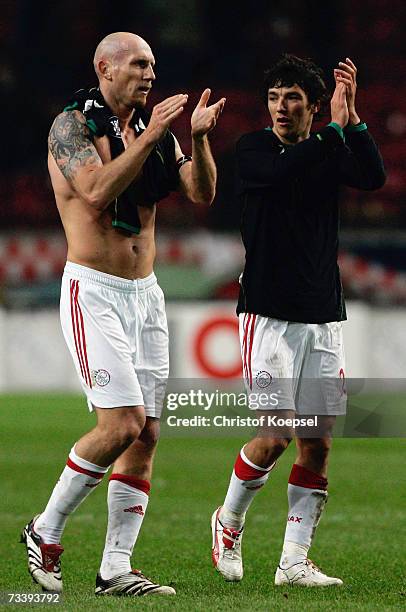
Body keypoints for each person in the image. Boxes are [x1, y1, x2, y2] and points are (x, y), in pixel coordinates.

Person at [21, 31, 225, 597]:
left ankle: (116, 567)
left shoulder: (151, 131)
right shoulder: (71, 125)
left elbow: (200, 193)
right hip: (95, 291)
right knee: (121, 424)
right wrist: (156, 131)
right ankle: (45, 529)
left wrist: (199, 141)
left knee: (147, 435)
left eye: (154, 64)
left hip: (146, 293)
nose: (150, 73)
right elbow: (93, 190)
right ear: (105, 69)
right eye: (139, 64)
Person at [211, 55, 385, 587]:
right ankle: (229, 521)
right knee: (277, 434)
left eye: (291, 98)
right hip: (268, 314)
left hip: (323, 314)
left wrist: (351, 118)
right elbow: (287, 170)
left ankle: (293, 560)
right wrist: (333, 129)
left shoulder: (328, 149)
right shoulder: (255, 149)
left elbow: (373, 177)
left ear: (311, 105)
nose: (280, 108)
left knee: (319, 440)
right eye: (273, 98)